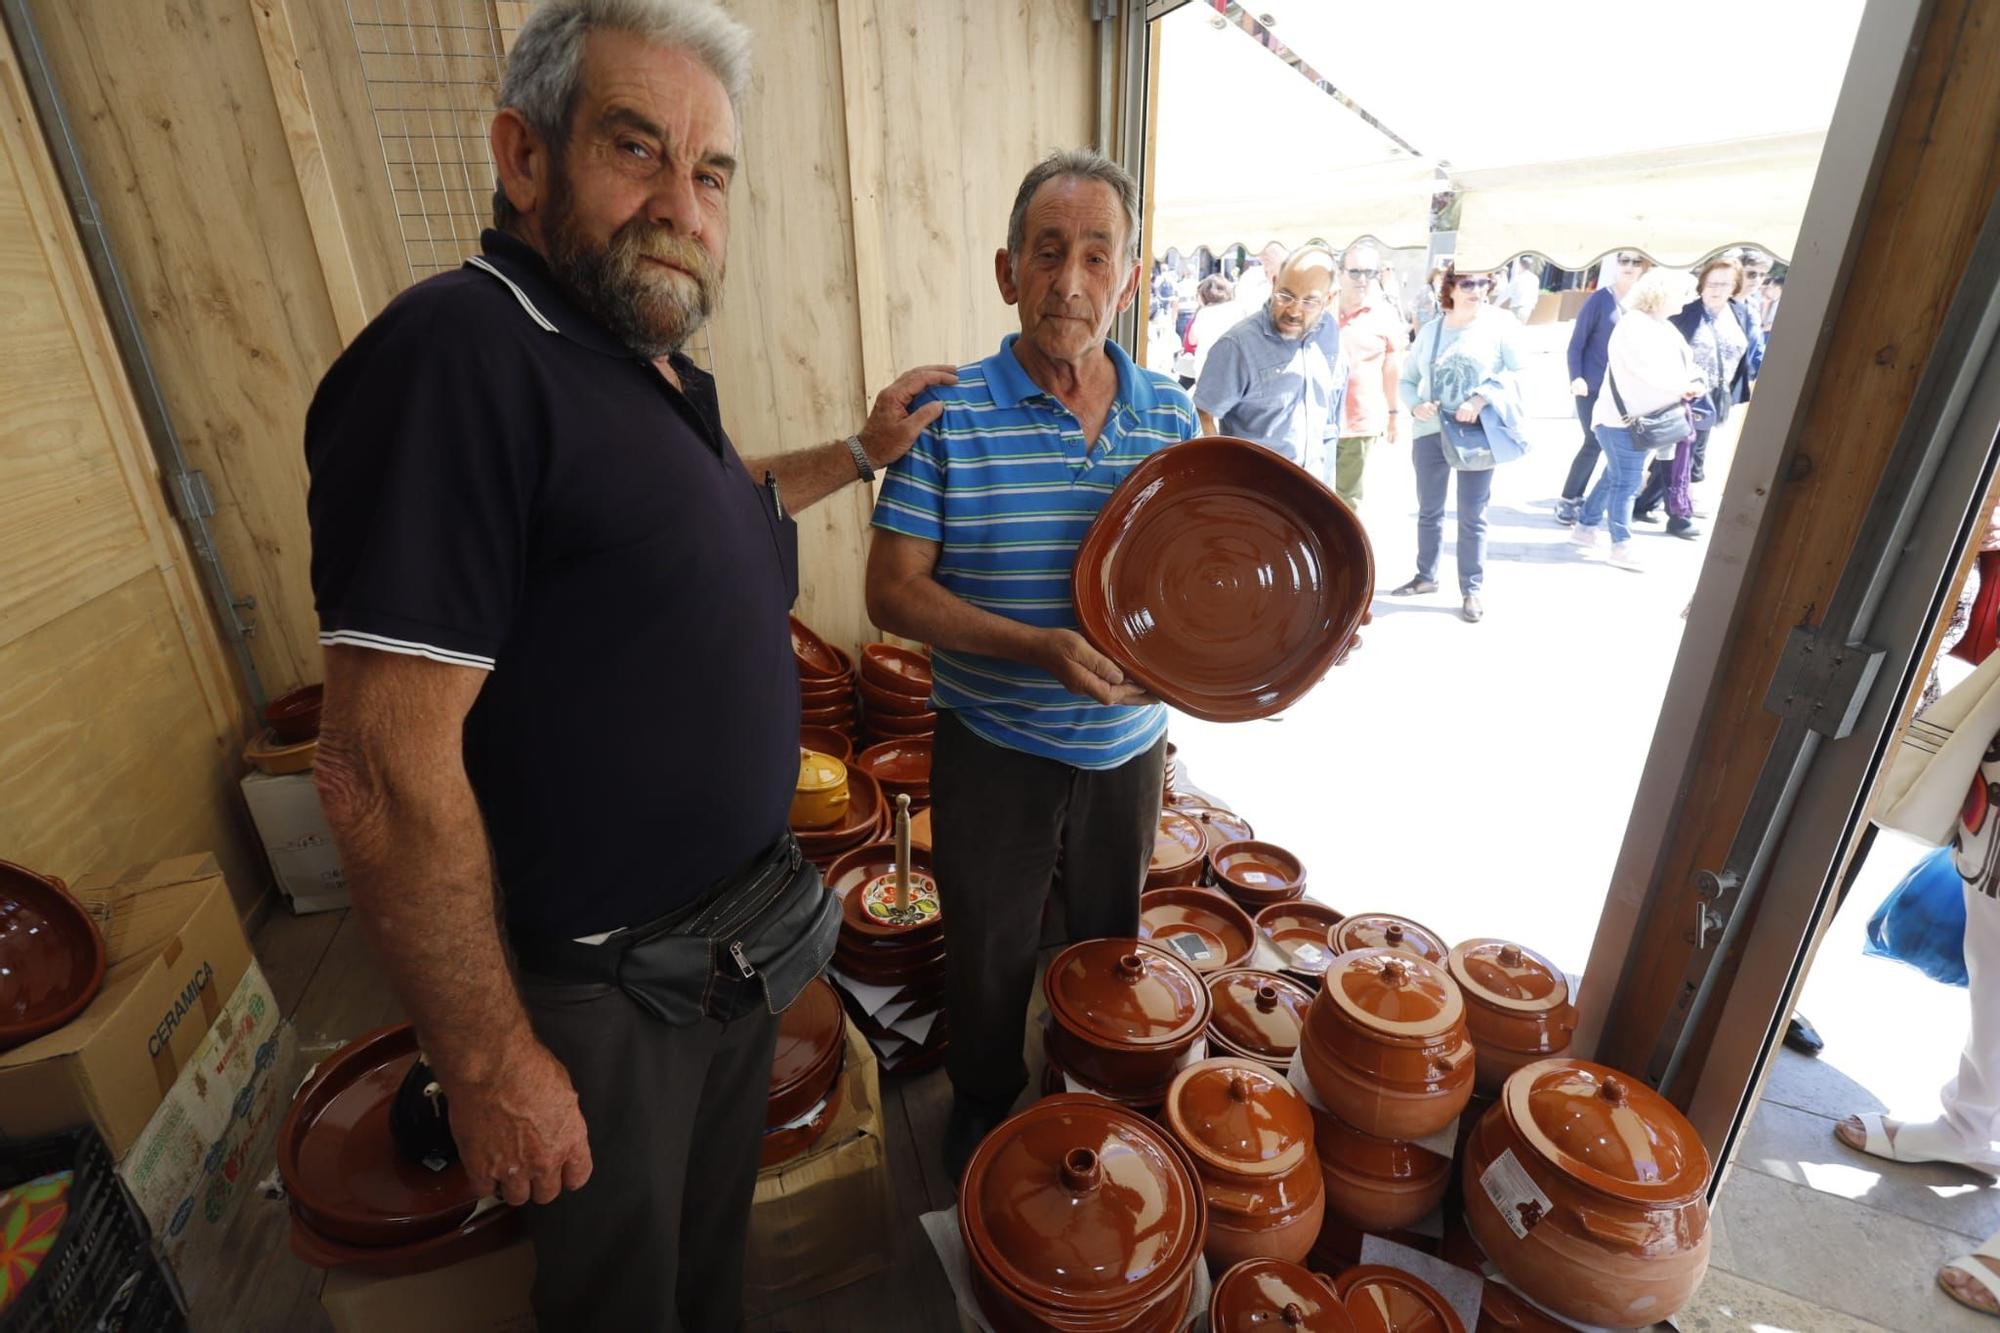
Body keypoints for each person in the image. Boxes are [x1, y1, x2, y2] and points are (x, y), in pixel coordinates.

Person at [303, 3, 952, 1325]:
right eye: (637, 150)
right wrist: (488, 1061)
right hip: (596, 1000)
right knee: (618, 1300)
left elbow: (717, 513)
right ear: (525, 159)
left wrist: (859, 452)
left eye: (710, 173)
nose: (681, 202)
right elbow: (374, 769)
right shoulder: (462, 357)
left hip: (721, 960)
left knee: (704, 1268)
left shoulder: (638, 369)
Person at [864, 149, 1196, 1183]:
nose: (1070, 279)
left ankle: (1093, 1089)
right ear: (1007, 271)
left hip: (1127, 746)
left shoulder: (1172, 419)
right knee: (991, 939)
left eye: (1097, 256)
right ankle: (979, 1098)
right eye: (1047, 253)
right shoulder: (946, 415)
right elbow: (890, 593)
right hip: (994, 740)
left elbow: (1196, 582)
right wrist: (1034, 648)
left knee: (1108, 932)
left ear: (1129, 279)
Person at [1392, 262, 1522, 622]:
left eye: (1483, 282)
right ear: (1450, 288)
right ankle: (1426, 576)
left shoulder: (1498, 328)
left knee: (1473, 515)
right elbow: (1407, 380)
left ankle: (1471, 588)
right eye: (1468, 282)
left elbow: (1516, 373)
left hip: (1476, 432)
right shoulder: (1432, 332)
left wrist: (1479, 399)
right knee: (1429, 511)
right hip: (1431, 431)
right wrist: (1415, 405)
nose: (1476, 290)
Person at [1569, 267, 1702, 572]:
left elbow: (1688, 363)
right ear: (1662, 295)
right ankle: (1620, 544)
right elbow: (1645, 370)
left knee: (1615, 476)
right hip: (1624, 420)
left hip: (1639, 420)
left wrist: (1695, 380)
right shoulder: (1635, 325)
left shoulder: (1662, 326)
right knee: (1627, 482)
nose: (1688, 299)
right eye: (1683, 293)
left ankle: (1586, 527)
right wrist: (1682, 386)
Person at [1192, 246, 1349, 481]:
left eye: (1309, 301)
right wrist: (1222, 477)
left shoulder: (1329, 333)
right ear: (1274, 283)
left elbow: (1329, 411)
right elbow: (1202, 414)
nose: (1294, 310)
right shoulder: (1238, 346)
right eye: (1285, 296)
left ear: (1328, 299)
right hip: (1256, 497)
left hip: (1314, 492)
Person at [1633, 255, 1756, 532]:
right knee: (1686, 454)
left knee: (1680, 452)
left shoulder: (1741, 312)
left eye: (1725, 283)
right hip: (1685, 395)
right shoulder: (1685, 311)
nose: (1717, 289)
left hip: (1717, 396)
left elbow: (1745, 351)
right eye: (1712, 282)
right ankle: (1679, 515)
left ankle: (1643, 505)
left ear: (1735, 286)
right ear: (1702, 283)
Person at [1554, 252, 1647, 525]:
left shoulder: (1643, 304)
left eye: (1636, 262)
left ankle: (1600, 503)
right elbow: (1576, 344)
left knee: (1621, 446)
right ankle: (1569, 498)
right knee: (1593, 441)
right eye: (1624, 261)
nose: (1629, 267)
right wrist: (1576, 377)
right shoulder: (1600, 300)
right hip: (1593, 387)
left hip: (1626, 392)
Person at [1330, 241, 1405, 508]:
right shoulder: (1322, 310)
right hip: (1315, 422)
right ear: (1340, 272)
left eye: (1370, 273)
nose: (1363, 280)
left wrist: (1394, 415)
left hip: (1358, 422)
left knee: (1346, 502)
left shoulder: (1384, 315)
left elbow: (1392, 368)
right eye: (1355, 272)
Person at [1177, 273, 1236, 389]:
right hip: (1231, 369)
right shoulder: (1237, 309)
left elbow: (1192, 340)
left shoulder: (1204, 313)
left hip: (1207, 368)